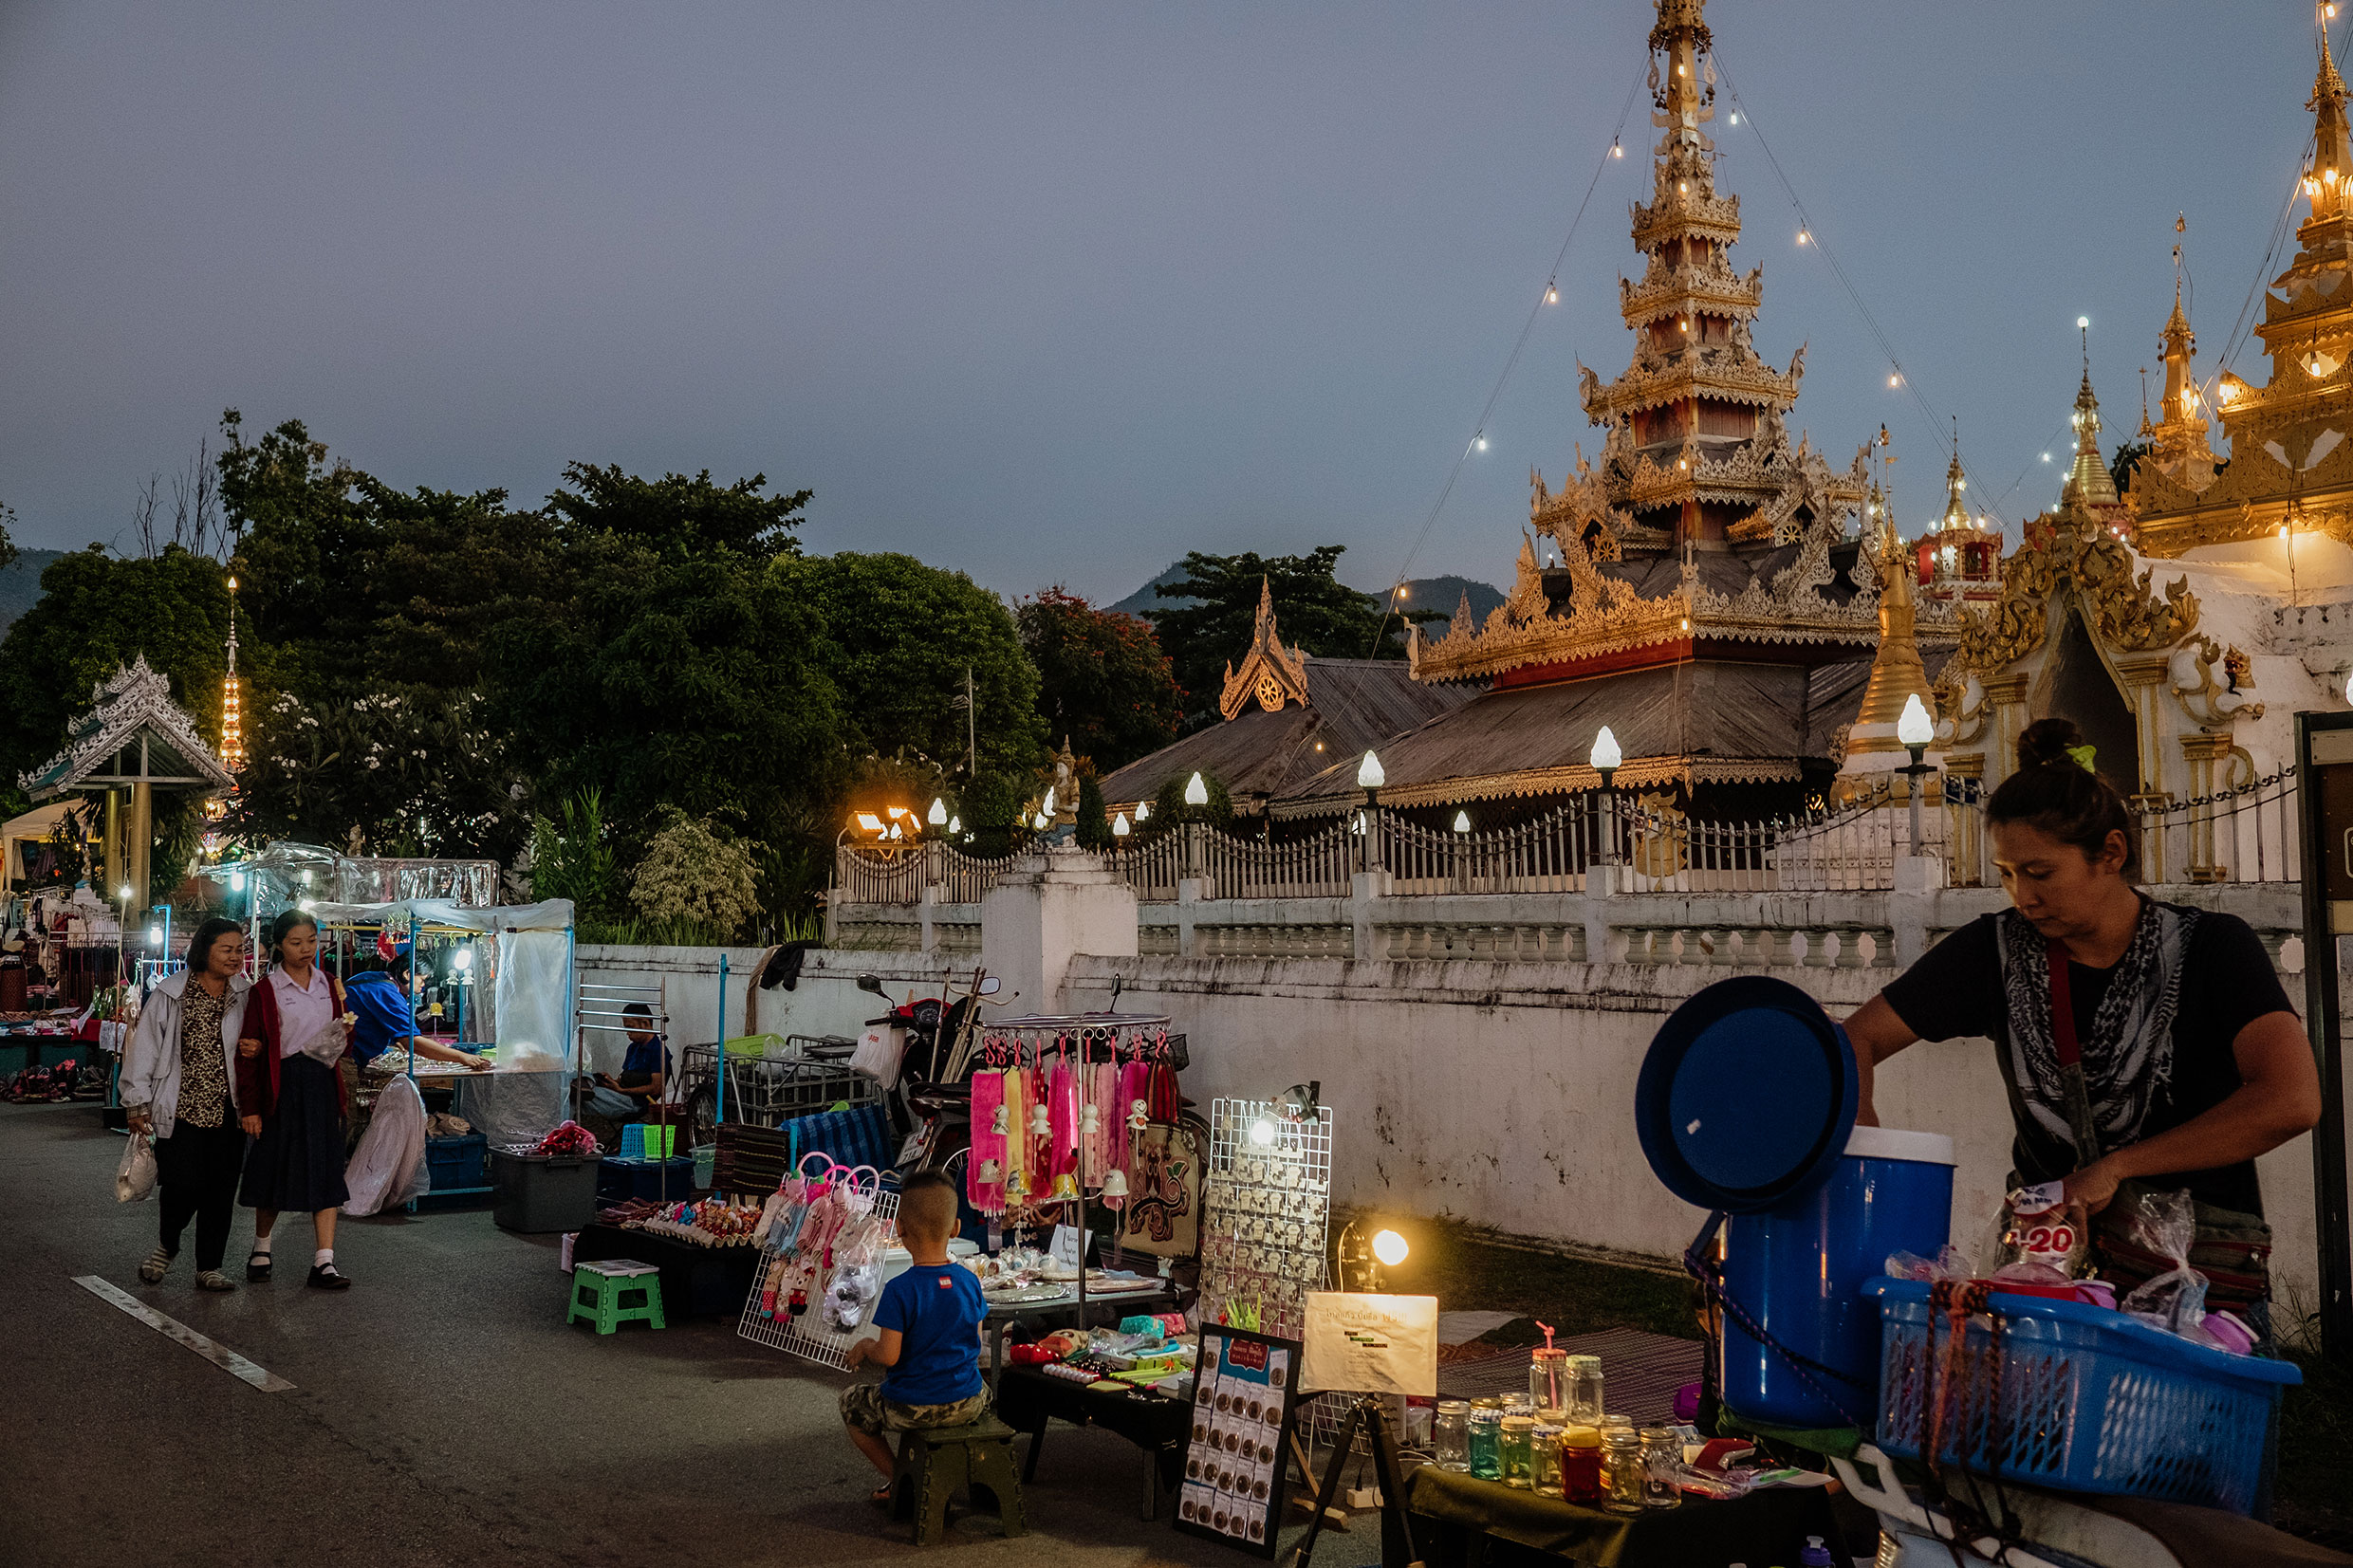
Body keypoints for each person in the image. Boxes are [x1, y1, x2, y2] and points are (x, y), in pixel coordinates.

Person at [1843, 717, 2323, 1319]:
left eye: (2041, 874)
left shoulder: (2211, 948)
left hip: (2195, 1280)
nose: (2024, 896)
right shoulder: (1995, 952)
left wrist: (2117, 1168)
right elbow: (1856, 1037)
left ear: (2111, 853)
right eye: (2008, 876)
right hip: (2050, 1270)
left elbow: (2292, 1099)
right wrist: (1864, 1155)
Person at [120, 917, 253, 1291]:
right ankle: (168, 1243)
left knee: (220, 1190)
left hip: (228, 1111)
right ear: (203, 950)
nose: (234, 957)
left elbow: (256, 1047)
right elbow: (145, 1049)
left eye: (239, 950)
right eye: (225, 950)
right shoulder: (170, 993)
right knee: (180, 1185)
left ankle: (209, 1266)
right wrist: (136, 1100)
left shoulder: (245, 995)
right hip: (180, 1109)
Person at [840, 1171, 989, 1501]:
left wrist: (867, 1346)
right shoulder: (970, 1282)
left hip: (910, 1405)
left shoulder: (899, 1290)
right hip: (966, 1402)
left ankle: (903, 1478)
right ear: (955, 1228)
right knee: (986, 1388)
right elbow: (974, 1345)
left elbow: (889, 1356)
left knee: (851, 1403)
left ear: (901, 1228)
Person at [233, 909, 356, 1289]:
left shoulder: (330, 984)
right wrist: (250, 1108)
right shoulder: (265, 990)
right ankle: (261, 1248)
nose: (306, 949)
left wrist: (346, 1028)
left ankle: (324, 1261)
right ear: (278, 946)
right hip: (281, 1085)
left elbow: (343, 1043)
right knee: (273, 1167)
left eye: (311, 941)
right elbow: (248, 1052)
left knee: (325, 1169)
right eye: (296, 942)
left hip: (321, 1083)